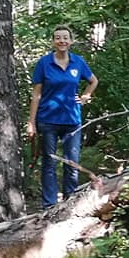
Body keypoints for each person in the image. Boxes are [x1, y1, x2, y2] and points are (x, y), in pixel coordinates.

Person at [26, 25, 99, 208]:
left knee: (72, 163)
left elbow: (93, 81)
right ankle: (49, 205)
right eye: (58, 38)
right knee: (49, 164)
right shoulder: (44, 63)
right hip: (48, 120)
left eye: (65, 38)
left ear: (71, 41)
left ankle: (70, 203)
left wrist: (85, 96)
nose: (62, 41)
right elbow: (36, 95)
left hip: (72, 121)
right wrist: (31, 122)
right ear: (53, 41)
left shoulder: (78, 62)